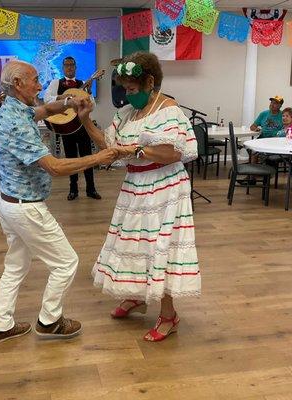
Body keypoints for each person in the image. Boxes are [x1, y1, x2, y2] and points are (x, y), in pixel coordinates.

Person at [0, 60, 118, 344]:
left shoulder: (14, 110)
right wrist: (99, 158)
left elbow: (45, 110)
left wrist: (70, 101)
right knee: (66, 262)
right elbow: (55, 167)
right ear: (18, 84)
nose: (39, 84)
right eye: (35, 80)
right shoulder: (13, 123)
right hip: (25, 208)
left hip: (11, 204)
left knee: (15, 266)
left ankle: (0, 325)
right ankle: (50, 321)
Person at [77, 52, 200, 342]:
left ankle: (169, 315)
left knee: (162, 248)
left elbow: (175, 152)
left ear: (150, 83)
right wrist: (86, 121)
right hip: (136, 185)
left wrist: (136, 151)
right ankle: (138, 296)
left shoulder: (168, 109)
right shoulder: (127, 115)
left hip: (165, 186)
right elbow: (109, 145)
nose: (129, 95)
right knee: (134, 243)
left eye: (133, 89)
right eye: (126, 90)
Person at [44, 56, 101, 201]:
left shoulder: (82, 83)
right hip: (66, 126)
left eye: (72, 65)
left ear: (75, 67)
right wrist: (64, 99)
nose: (69, 67)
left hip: (82, 126)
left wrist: (88, 93)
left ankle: (91, 188)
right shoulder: (56, 83)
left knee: (88, 157)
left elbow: (92, 106)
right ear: (63, 68)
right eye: (66, 65)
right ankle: (73, 189)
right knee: (70, 158)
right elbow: (47, 99)